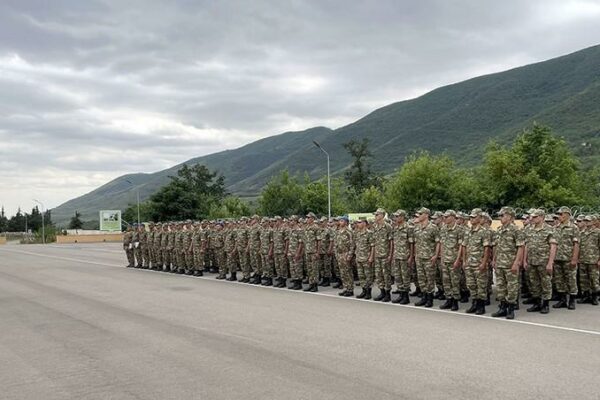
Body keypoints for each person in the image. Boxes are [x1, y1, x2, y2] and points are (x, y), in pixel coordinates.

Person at [491, 207, 524, 319]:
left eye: (502, 215)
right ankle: (502, 308)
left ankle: (511, 309)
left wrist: (516, 263)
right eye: (499, 215)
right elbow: (497, 247)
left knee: (512, 287)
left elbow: (520, 247)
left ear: (509, 216)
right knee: (501, 287)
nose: (500, 217)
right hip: (500, 263)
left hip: (510, 264)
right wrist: (494, 260)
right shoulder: (499, 229)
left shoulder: (516, 230)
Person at [524, 209, 557, 314]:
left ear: (542, 217)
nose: (532, 219)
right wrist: (525, 260)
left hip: (543, 261)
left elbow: (553, 247)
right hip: (532, 260)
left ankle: (545, 304)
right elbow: (526, 245)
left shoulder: (549, 229)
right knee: (534, 282)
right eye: (532, 217)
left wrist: (550, 262)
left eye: (535, 217)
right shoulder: (529, 229)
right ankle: (537, 303)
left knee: (546, 282)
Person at [462, 208, 492, 315]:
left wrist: (484, 263)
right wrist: (464, 260)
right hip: (469, 263)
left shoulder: (484, 232)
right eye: (471, 217)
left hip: (479, 263)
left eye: (474, 217)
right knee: (471, 285)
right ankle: (474, 304)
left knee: (481, 285)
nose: (472, 219)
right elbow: (464, 246)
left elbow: (487, 248)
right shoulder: (468, 231)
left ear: (480, 218)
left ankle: (481, 306)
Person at [552, 206, 580, 310]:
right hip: (558, 258)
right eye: (558, 214)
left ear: (567, 215)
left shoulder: (574, 228)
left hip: (568, 258)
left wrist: (574, 259)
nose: (559, 216)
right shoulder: (556, 228)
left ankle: (572, 300)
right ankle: (562, 300)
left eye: (561, 214)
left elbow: (576, 244)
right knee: (559, 280)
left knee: (571, 279)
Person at [413, 207, 440, 308]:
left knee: (430, 279)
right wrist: (415, 255)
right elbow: (416, 243)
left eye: (420, 214)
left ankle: (430, 299)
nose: (418, 216)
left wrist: (435, 255)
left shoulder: (433, 228)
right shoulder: (417, 228)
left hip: (429, 258)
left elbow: (438, 242)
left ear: (426, 215)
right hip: (419, 257)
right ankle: (424, 297)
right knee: (421, 279)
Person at [438, 210, 463, 311]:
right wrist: (442, 257)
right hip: (445, 260)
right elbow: (442, 244)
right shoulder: (443, 229)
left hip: (454, 260)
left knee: (455, 282)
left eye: (447, 216)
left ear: (453, 217)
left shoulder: (459, 229)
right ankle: (448, 299)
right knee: (446, 281)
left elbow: (461, 246)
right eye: (444, 216)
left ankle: (455, 302)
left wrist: (458, 259)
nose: (445, 218)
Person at [391, 210, 414, 305]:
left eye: (397, 216)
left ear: (403, 217)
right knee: (398, 277)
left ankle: (406, 297)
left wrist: (411, 256)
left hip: (405, 256)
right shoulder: (395, 228)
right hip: (397, 256)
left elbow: (411, 243)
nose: (396, 218)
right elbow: (394, 243)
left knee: (405, 277)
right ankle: (401, 294)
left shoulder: (408, 228)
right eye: (395, 216)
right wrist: (393, 255)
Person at [354, 217, 374, 299]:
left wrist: (371, 257)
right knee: (361, 276)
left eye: (359, 222)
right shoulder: (357, 233)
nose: (358, 224)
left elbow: (373, 246)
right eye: (357, 222)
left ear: (364, 223)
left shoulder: (369, 233)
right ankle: (363, 291)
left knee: (368, 276)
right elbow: (357, 245)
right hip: (359, 257)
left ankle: (368, 292)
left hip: (366, 258)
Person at [335, 216, 355, 297]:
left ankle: (350, 289)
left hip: (346, 254)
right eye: (340, 221)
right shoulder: (338, 231)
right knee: (342, 273)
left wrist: (349, 255)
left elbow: (352, 245)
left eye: (342, 221)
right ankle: (345, 288)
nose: (340, 222)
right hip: (340, 254)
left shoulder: (349, 232)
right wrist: (336, 254)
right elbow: (336, 244)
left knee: (348, 272)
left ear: (346, 222)